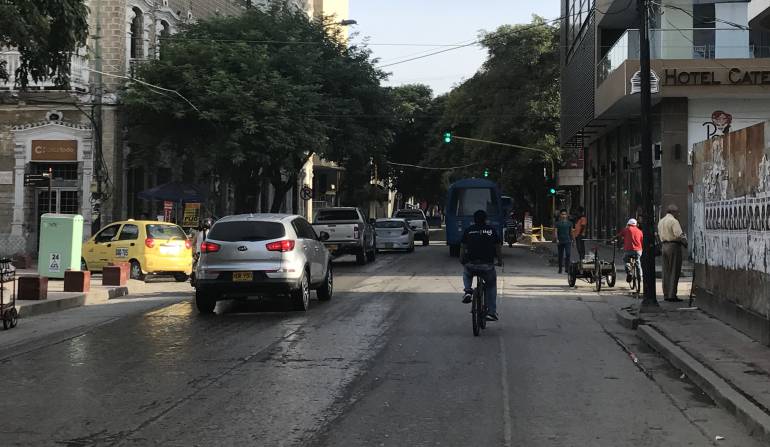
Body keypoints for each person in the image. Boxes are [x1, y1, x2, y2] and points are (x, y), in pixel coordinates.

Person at [460, 210, 503, 321]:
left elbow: (463, 247)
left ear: (474, 220)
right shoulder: (491, 230)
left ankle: (468, 291)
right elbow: (498, 247)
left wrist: (462, 260)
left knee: (466, 273)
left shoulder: (469, 230)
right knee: (491, 285)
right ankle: (492, 312)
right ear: (485, 219)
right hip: (487, 266)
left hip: (471, 265)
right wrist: (499, 260)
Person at [658, 204, 687, 302]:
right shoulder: (674, 221)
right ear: (673, 212)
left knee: (666, 272)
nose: (678, 214)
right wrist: (685, 243)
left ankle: (666, 294)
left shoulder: (661, 221)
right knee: (674, 270)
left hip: (664, 246)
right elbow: (679, 235)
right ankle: (672, 295)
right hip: (673, 246)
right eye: (677, 212)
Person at [616, 218, 643, 283]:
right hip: (638, 250)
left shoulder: (626, 229)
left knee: (625, 260)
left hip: (628, 250)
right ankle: (640, 276)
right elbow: (642, 241)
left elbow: (619, 235)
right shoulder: (640, 231)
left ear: (628, 224)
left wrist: (613, 239)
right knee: (638, 262)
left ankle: (629, 272)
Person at [554, 209, 573, 274]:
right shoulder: (557, 223)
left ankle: (567, 268)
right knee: (560, 255)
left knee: (568, 254)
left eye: (565, 214)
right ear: (560, 215)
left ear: (567, 215)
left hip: (568, 241)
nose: (564, 215)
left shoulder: (570, 223)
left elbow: (571, 232)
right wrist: (556, 239)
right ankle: (560, 268)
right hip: (560, 241)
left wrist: (573, 240)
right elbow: (556, 232)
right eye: (562, 214)